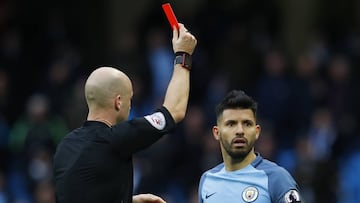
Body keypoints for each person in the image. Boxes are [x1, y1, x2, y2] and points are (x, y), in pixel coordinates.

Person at [53, 23, 197, 203]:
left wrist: (128, 200)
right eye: (130, 99)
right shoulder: (115, 139)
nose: (130, 106)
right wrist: (183, 55)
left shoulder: (65, 145)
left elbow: (84, 193)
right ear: (118, 101)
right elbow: (174, 110)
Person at [198, 90, 302, 203]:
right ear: (217, 133)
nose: (240, 131)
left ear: (257, 132)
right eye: (231, 124)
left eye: (247, 124)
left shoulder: (277, 178)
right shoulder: (207, 180)